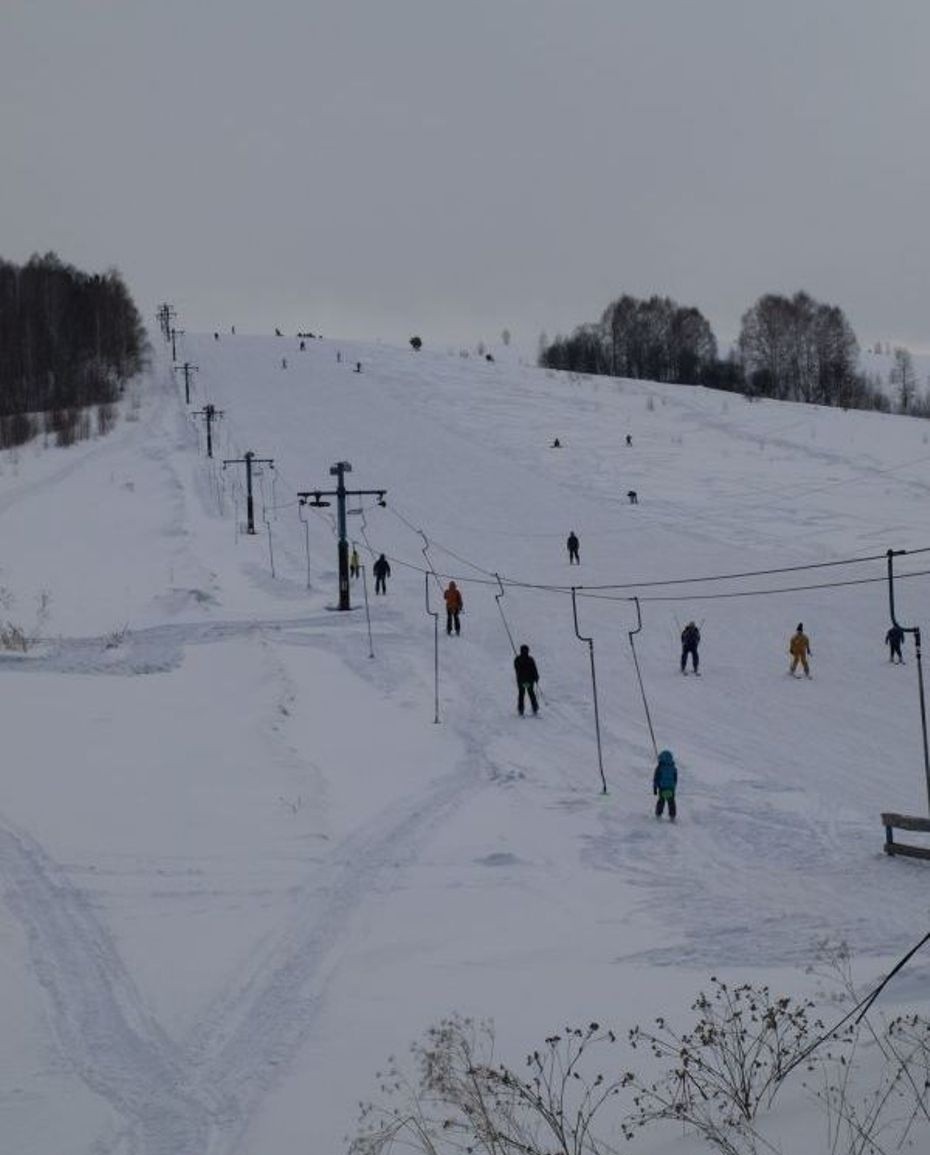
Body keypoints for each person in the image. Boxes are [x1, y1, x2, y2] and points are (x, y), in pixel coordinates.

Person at [514, 644, 539, 716]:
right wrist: (536, 677)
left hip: (521, 681)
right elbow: (534, 670)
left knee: (522, 694)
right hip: (529, 681)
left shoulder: (517, 659)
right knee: (531, 693)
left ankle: (521, 709)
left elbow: (516, 669)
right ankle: (535, 708)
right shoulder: (530, 659)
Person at [653, 749, 678, 820]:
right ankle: (672, 815)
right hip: (671, 788)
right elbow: (675, 778)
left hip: (662, 787)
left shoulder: (659, 768)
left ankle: (658, 814)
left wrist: (655, 787)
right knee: (671, 802)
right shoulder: (673, 768)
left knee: (661, 801)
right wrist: (674, 786)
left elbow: (656, 778)